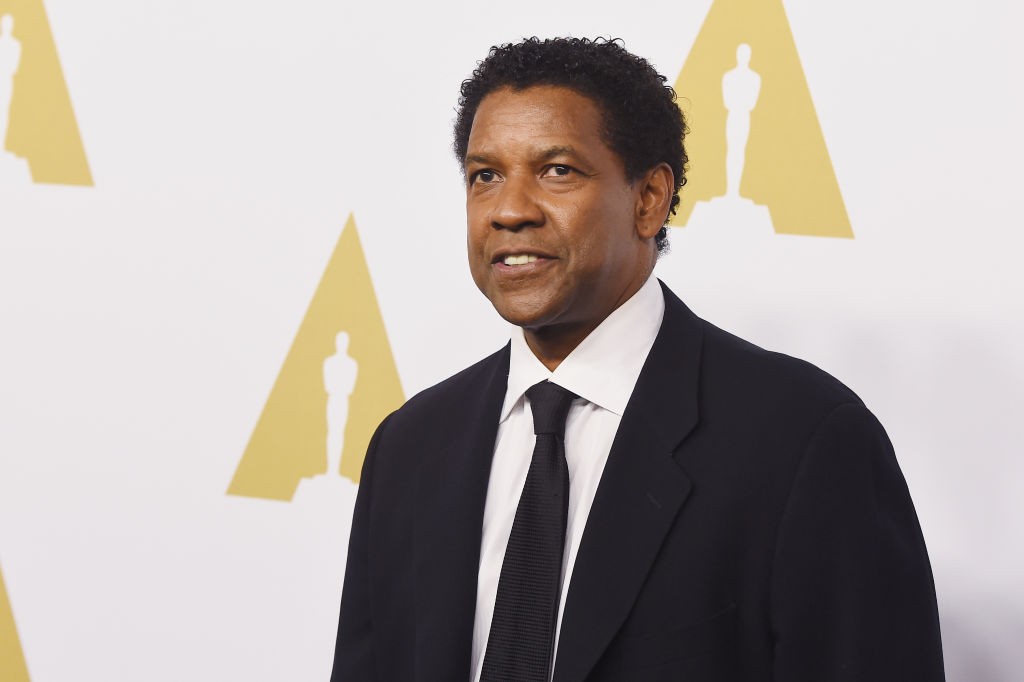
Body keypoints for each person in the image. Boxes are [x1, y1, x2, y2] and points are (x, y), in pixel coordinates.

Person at [331, 37, 944, 681]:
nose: (510, 210)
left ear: (650, 198)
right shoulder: (409, 448)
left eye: (557, 170)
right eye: (486, 176)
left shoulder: (803, 440)